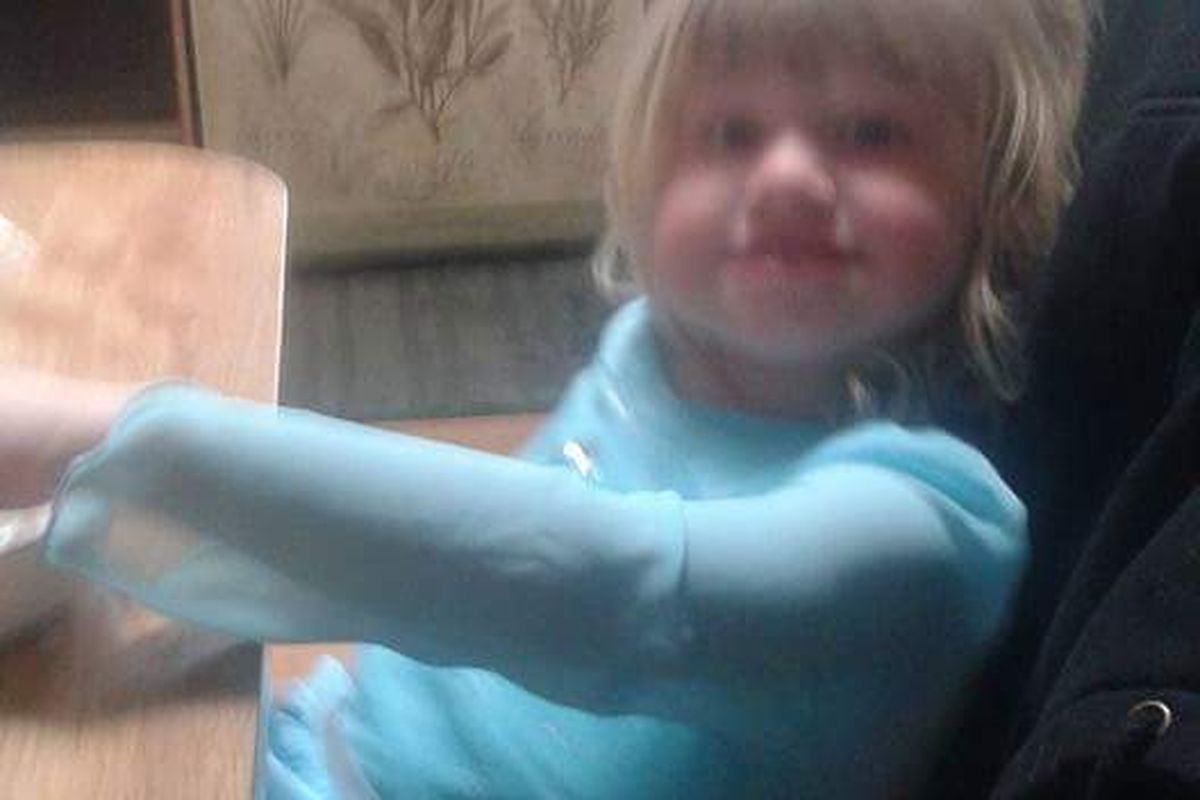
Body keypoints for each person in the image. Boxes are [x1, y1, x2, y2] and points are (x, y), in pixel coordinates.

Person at [2, 0, 1089, 796]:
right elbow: (460, 562)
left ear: (992, 197)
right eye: (731, 133)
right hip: (311, 744)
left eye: (873, 133)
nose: (788, 177)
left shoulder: (924, 532)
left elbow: (603, 586)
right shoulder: (650, 356)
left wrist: (92, 430)